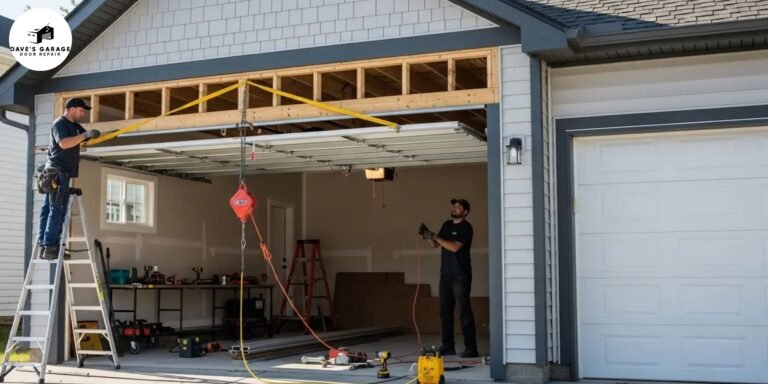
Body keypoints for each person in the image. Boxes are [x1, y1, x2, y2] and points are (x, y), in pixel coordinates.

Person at [37, 98, 101, 259]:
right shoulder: (60, 123)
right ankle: (51, 247)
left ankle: (45, 246)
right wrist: (85, 135)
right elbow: (64, 144)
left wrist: (89, 135)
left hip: (59, 172)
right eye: (81, 110)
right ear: (71, 109)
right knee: (56, 209)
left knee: (49, 209)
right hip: (57, 172)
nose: (83, 113)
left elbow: (82, 137)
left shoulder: (74, 126)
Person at [419, 198, 478, 358]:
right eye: (454, 206)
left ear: (465, 212)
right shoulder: (447, 225)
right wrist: (427, 235)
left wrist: (435, 236)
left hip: (461, 274)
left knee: (464, 311)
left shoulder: (466, 228)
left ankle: (471, 348)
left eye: (458, 207)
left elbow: (454, 247)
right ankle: (447, 346)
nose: (454, 208)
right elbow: (435, 245)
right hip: (445, 274)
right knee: (444, 311)